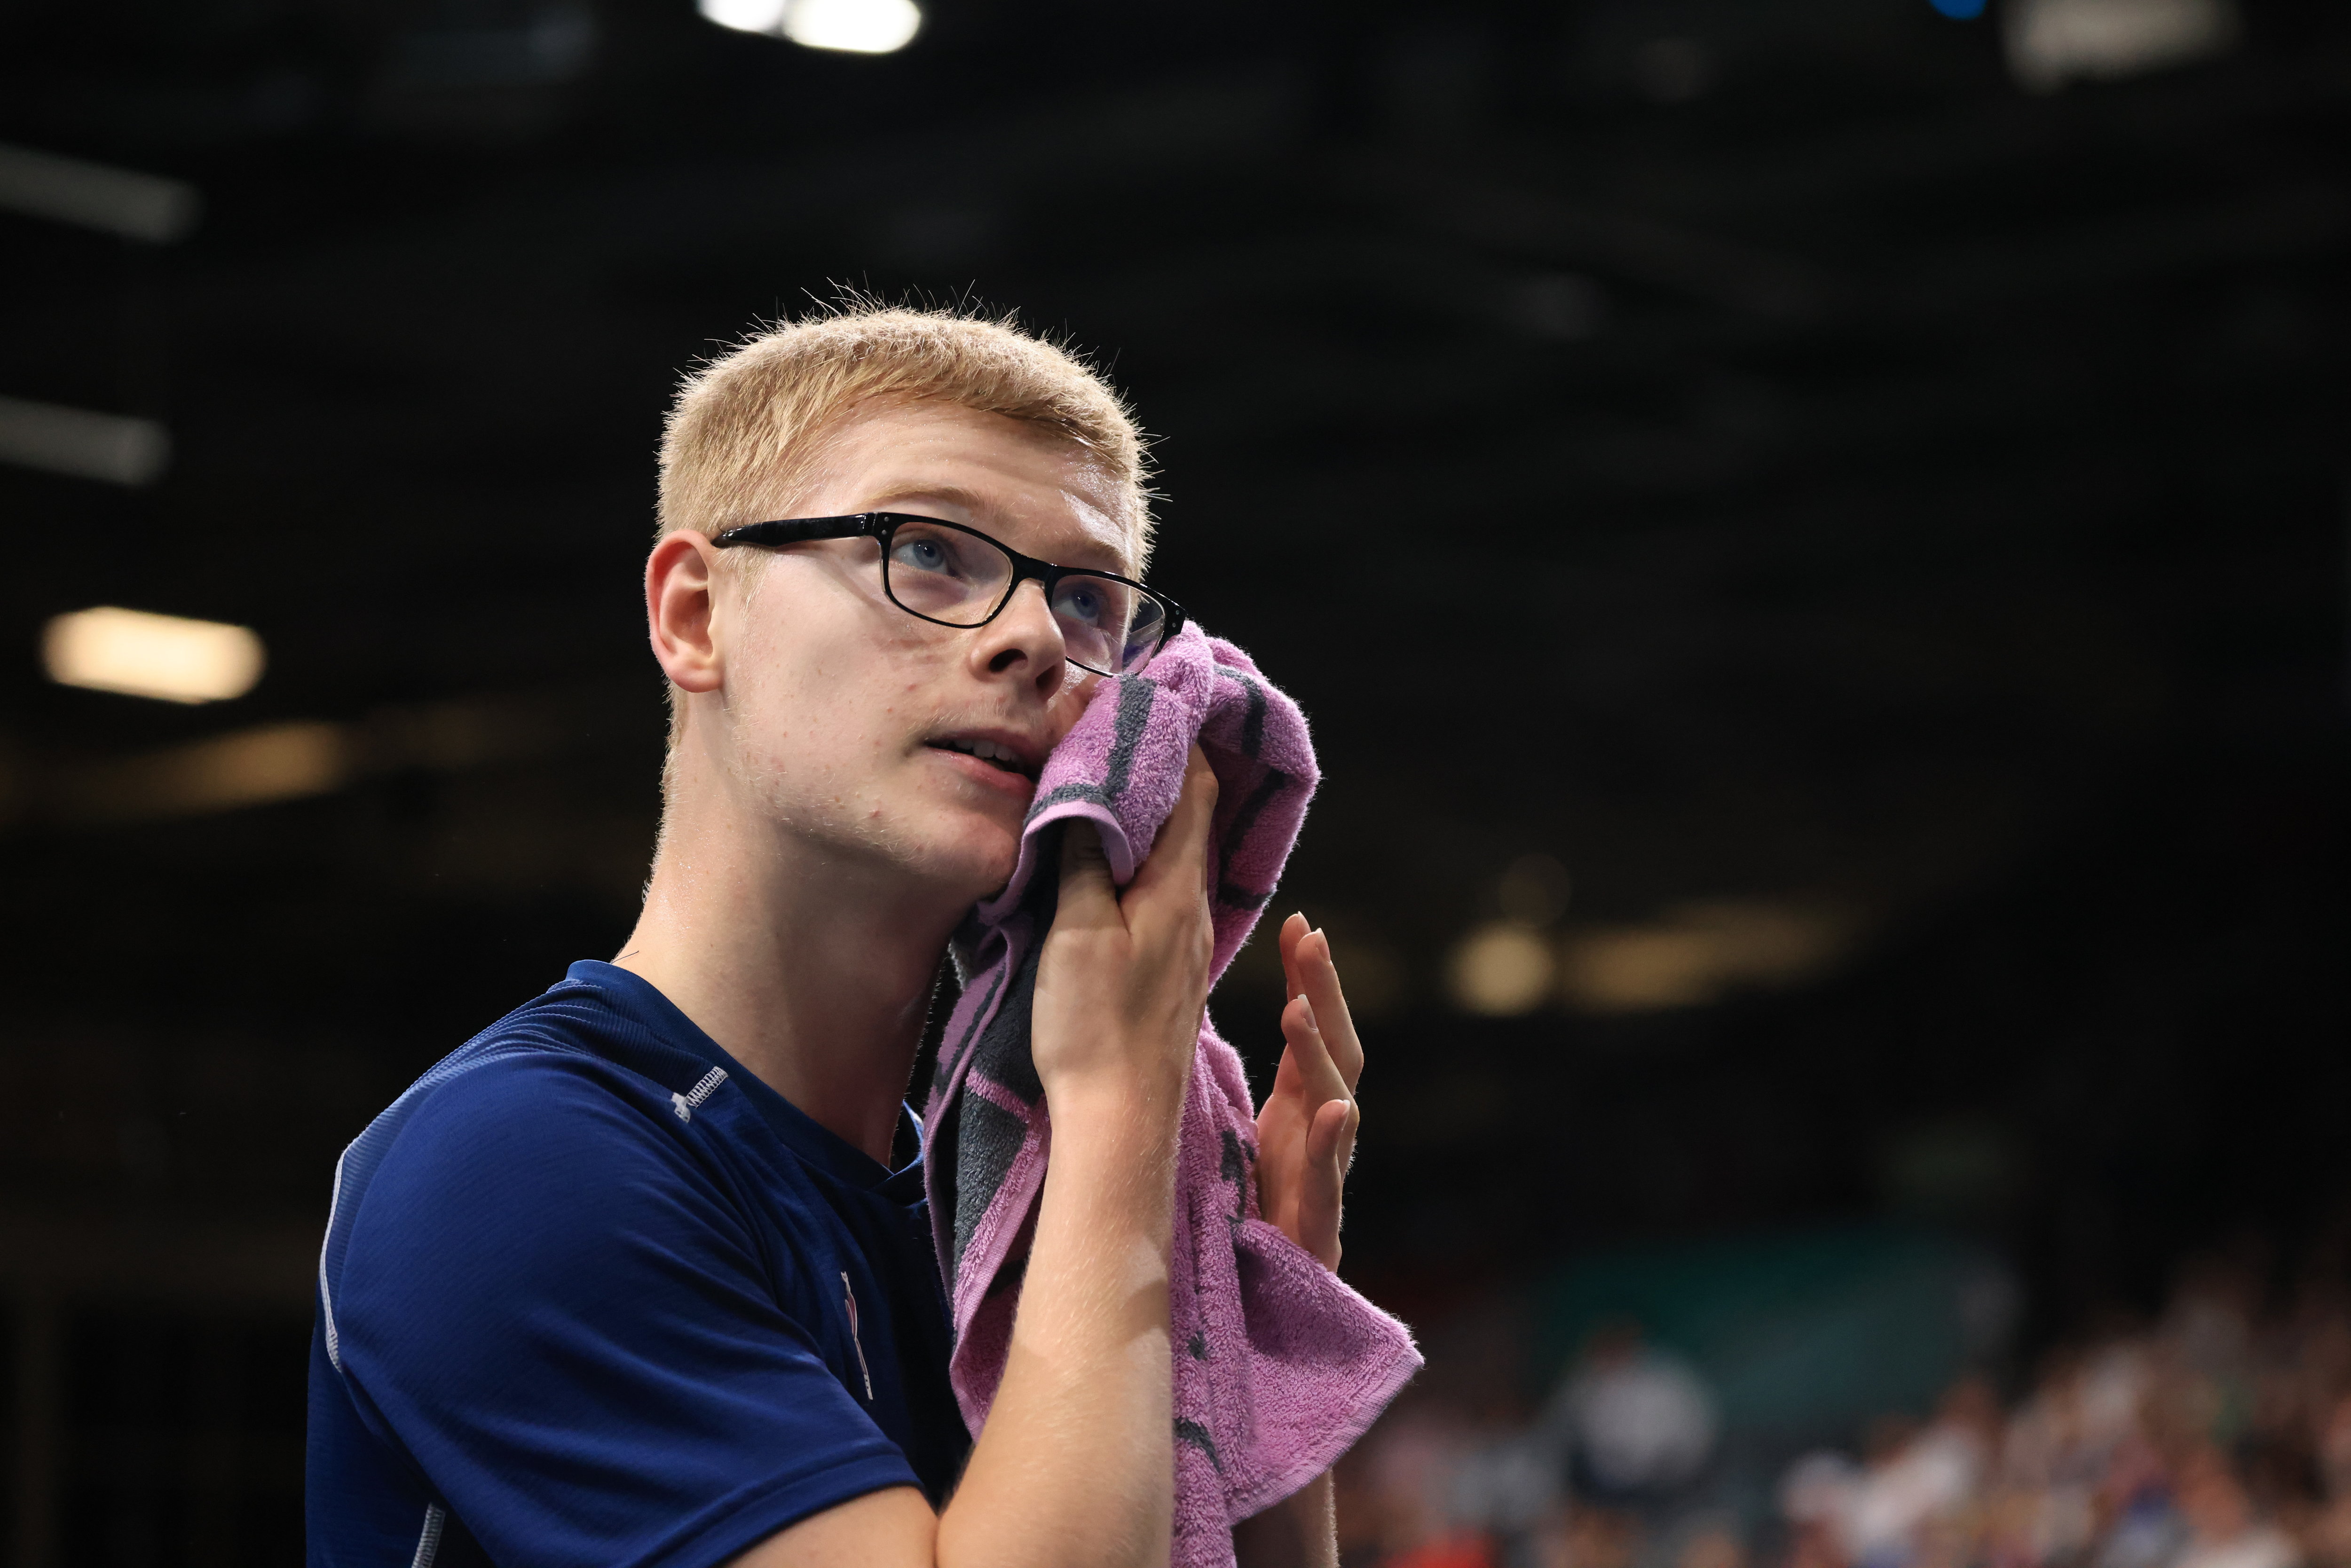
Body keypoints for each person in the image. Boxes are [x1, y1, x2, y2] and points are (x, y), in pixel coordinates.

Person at [306, 306, 1371, 1568]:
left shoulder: (998, 1212)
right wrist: (1124, 1102)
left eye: (1087, 599)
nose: (1035, 639)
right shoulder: (512, 1164)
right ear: (695, 616)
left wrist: (1242, 1318)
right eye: (926, 551)